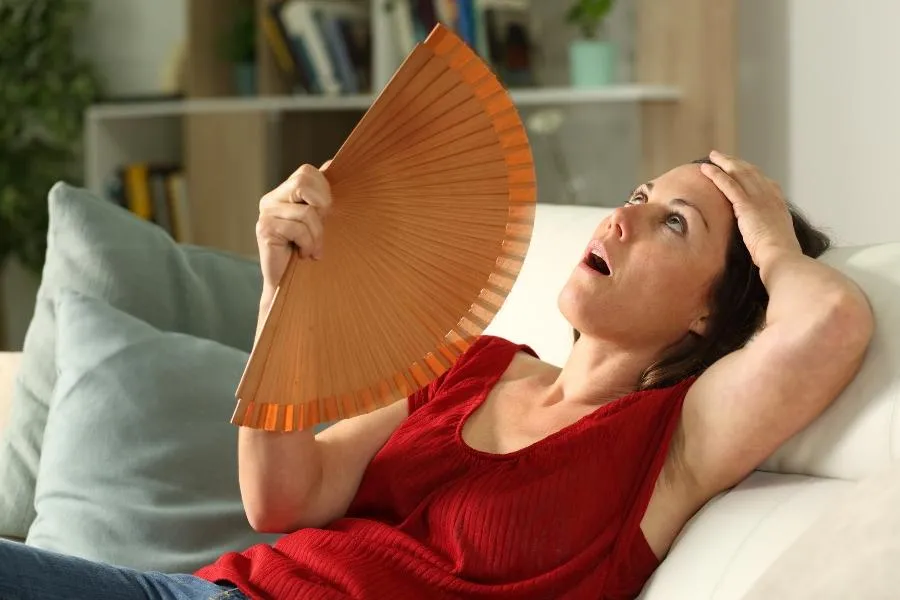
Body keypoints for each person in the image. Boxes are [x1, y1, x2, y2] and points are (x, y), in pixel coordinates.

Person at [0, 152, 873, 600]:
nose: (626, 216)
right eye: (640, 193)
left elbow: (830, 326)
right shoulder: (475, 364)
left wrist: (767, 234)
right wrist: (281, 294)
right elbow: (283, 498)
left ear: (707, 315)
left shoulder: (670, 443)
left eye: (673, 224)